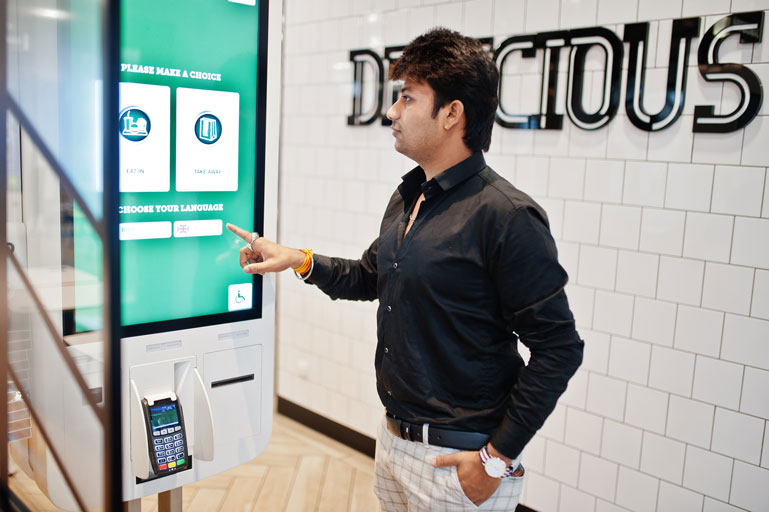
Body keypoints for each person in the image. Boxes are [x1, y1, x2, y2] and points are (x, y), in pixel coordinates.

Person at [227, 27, 583, 512]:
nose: (392, 112)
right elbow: (371, 276)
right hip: (394, 441)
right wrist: (299, 260)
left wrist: (496, 459)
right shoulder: (410, 195)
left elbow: (559, 348)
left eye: (407, 98)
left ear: (452, 114)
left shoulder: (507, 216)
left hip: (460, 459)